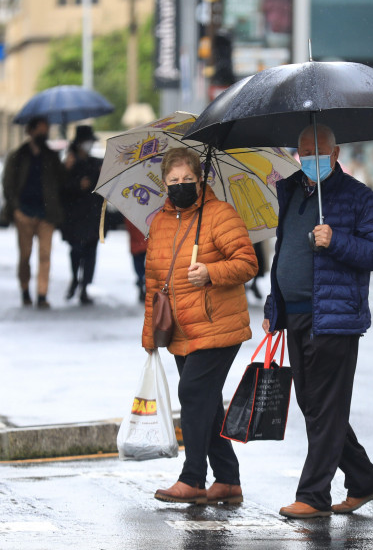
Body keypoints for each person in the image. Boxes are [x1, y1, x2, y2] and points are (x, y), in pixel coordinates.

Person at [263, 123, 373, 519]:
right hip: (296, 315)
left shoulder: (359, 198)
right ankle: (365, 479)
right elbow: (284, 254)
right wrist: (275, 306)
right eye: (304, 152)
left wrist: (335, 240)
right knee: (314, 405)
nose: (311, 159)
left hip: (335, 319)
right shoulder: (288, 191)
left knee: (326, 408)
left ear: (335, 155)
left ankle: (314, 495)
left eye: (320, 151)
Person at [141, 147, 258, 505]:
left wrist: (211, 273)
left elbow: (248, 263)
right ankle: (228, 479)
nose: (180, 186)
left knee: (193, 394)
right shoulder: (159, 222)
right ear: (164, 183)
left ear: (200, 179)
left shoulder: (219, 214)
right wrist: (150, 334)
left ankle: (193, 478)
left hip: (216, 325)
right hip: (179, 329)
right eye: (173, 181)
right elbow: (153, 281)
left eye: (187, 180)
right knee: (205, 402)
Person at [2, 116, 65, 309]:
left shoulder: (52, 156)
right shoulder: (18, 156)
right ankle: (24, 289)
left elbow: (61, 182)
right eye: (39, 128)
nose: (43, 133)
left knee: (45, 255)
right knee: (25, 255)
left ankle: (42, 294)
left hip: (46, 215)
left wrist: (67, 166)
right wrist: (16, 209)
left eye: (45, 129)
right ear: (30, 131)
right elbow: (8, 184)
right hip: (25, 213)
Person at [61, 125, 104, 305]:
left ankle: (85, 286)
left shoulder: (96, 163)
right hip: (74, 216)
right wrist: (76, 183)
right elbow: (61, 188)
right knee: (76, 251)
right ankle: (75, 278)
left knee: (90, 252)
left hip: (92, 215)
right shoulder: (69, 163)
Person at [126, 218, 147, 303]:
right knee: (147, 265)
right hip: (146, 240)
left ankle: (141, 279)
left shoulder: (131, 213)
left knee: (138, 265)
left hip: (137, 242)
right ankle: (143, 281)